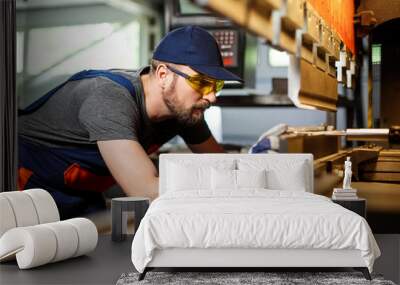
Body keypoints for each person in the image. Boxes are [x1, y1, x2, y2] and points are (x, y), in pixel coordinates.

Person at [18, 25, 243, 219]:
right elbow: (146, 191)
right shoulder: (109, 98)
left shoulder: (184, 111)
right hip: (24, 189)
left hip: (80, 196)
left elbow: (220, 165)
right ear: (164, 75)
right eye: (202, 83)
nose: (212, 96)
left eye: (217, 85)